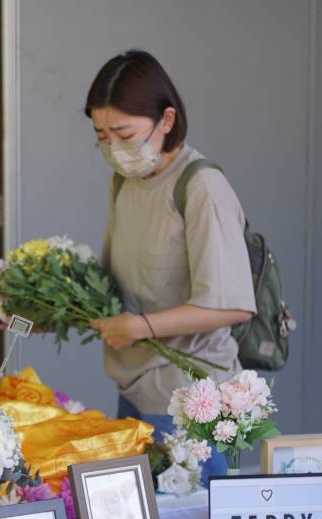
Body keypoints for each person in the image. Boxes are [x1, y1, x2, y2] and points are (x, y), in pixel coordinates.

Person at [85, 50, 256, 482]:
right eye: (102, 135)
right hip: (133, 387)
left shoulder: (200, 187)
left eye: (123, 132)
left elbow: (233, 307)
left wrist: (140, 326)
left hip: (191, 399)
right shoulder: (124, 181)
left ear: (166, 119)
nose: (113, 148)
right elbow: (119, 284)